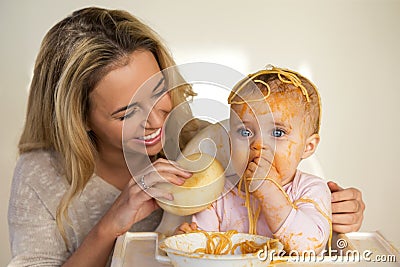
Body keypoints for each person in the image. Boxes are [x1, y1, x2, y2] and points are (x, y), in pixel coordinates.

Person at [8, 7, 364, 267]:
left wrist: (338, 215)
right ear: (79, 118)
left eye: (158, 90)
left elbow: (302, 199)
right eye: (125, 113)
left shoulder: (215, 144)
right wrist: (109, 227)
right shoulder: (41, 174)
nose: (154, 120)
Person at [177, 66, 331, 254]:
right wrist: (190, 241)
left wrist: (270, 192)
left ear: (308, 147)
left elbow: (309, 247)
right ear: (230, 141)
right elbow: (204, 251)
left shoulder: (310, 190)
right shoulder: (218, 195)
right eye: (245, 132)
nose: (258, 144)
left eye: (277, 132)